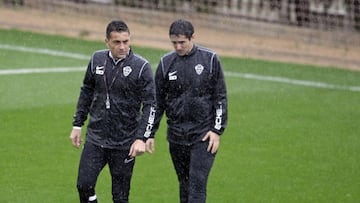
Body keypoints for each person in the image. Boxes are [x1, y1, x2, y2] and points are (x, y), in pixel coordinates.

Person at [69, 20, 156, 203]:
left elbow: (150, 105)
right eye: (117, 42)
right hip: (96, 138)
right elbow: (86, 91)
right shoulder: (96, 60)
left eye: (126, 41)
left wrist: (142, 137)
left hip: (124, 142)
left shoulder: (141, 67)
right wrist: (77, 124)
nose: (122, 47)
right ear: (106, 41)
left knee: (120, 197)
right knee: (84, 185)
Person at [149, 19, 228, 203]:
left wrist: (217, 130)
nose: (178, 47)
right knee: (184, 185)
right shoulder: (165, 64)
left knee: (197, 184)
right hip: (176, 136)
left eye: (182, 42)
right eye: (174, 43)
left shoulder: (209, 60)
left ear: (193, 37)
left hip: (203, 135)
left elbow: (220, 97)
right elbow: (157, 102)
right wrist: (149, 133)